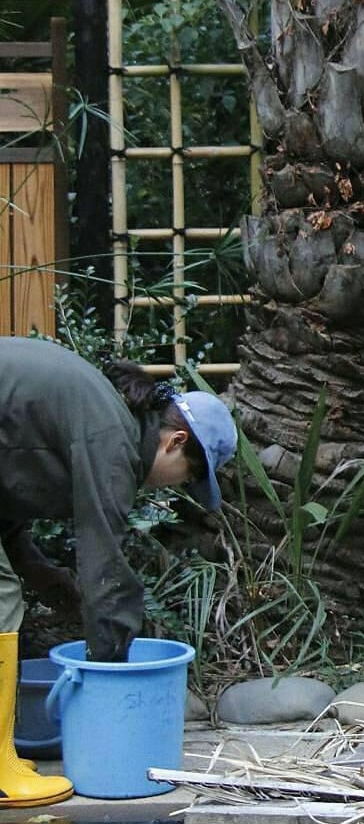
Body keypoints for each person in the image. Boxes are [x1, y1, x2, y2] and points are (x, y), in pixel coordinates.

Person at [0, 336, 238, 807]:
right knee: (2, 598)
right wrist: (110, 664)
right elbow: (104, 561)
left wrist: (43, 571)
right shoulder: (111, 439)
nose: (180, 487)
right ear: (175, 442)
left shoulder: (102, 422)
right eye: (190, 477)